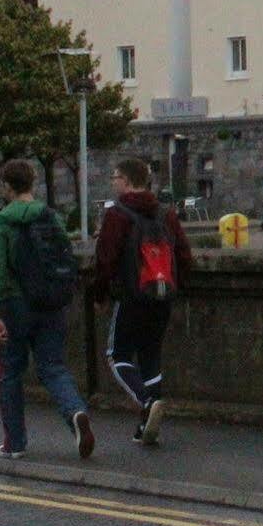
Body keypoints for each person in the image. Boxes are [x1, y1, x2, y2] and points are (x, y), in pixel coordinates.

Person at [0, 159, 93, 460]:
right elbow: (65, 257)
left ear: (7, 186)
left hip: (15, 306)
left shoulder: (2, 223)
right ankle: (76, 414)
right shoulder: (51, 217)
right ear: (33, 183)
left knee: (10, 372)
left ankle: (15, 444)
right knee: (53, 367)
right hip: (50, 302)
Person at [91, 158, 193, 446]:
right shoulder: (166, 213)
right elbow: (184, 255)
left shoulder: (118, 214)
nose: (113, 182)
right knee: (151, 356)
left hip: (132, 295)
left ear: (125, 180)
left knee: (117, 355)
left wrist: (100, 294)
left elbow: (106, 260)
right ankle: (147, 426)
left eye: (114, 177)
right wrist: (176, 287)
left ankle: (147, 403)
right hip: (162, 294)